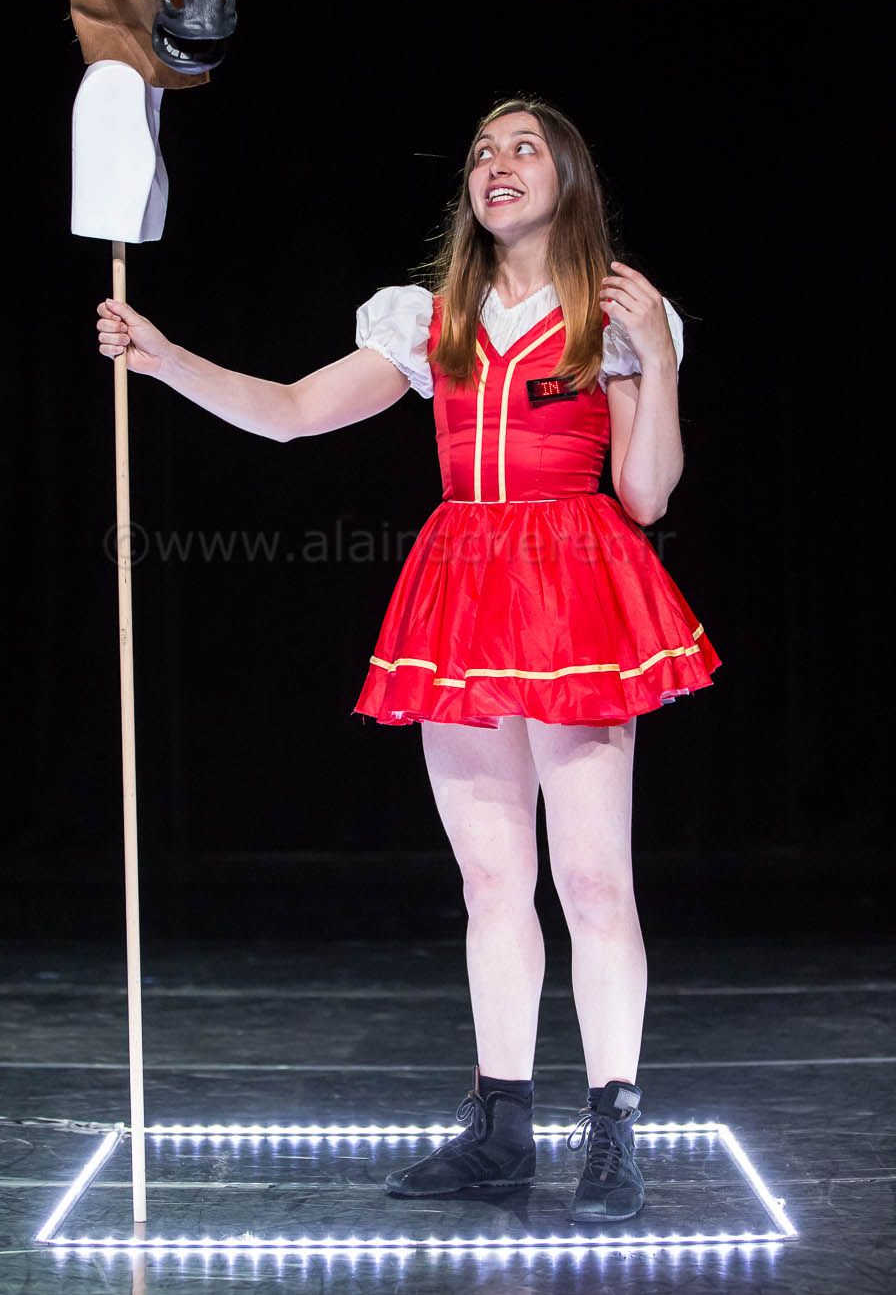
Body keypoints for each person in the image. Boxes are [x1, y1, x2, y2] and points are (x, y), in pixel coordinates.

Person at [96, 96, 721, 1222]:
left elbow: (645, 493)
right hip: (465, 594)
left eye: (523, 148)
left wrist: (660, 361)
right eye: (482, 151)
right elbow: (293, 413)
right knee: (491, 880)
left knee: (591, 878)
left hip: (576, 593)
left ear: (569, 179)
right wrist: (164, 359)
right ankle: (500, 1129)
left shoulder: (615, 315)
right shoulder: (429, 319)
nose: (497, 164)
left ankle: (612, 1129)